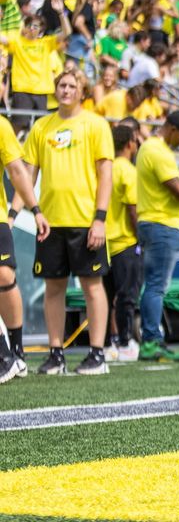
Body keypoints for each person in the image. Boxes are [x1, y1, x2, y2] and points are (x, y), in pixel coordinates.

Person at [19, 71, 113, 376]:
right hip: (50, 223)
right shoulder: (42, 126)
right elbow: (26, 175)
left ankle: (97, 354)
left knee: (92, 286)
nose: (66, 90)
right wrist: (26, 212)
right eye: (61, 85)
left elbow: (106, 176)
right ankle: (56, 354)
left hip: (86, 222)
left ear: (82, 90)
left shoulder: (96, 125)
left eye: (72, 86)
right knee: (53, 288)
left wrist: (99, 219)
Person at [137, 111, 179, 362]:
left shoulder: (152, 149)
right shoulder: (158, 151)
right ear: (173, 129)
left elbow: (173, 188)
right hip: (161, 224)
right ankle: (151, 340)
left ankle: (151, 339)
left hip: (154, 222)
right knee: (157, 286)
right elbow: (178, 191)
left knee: (154, 285)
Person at [0, 113, 49, 384]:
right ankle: (4, 354)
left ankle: (16, 350)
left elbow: (18, 172)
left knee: (5, 277)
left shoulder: (1, 126)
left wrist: (36, 210)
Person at [104, 124, 141, 361]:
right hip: (125, 241)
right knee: (127, 296)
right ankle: (126, 342)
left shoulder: (104, 168)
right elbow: (132, 208)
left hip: (102, 242)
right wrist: (142, 237)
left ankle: (107, 345)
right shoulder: (127, 170)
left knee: (105, 298)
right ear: (129, 143)